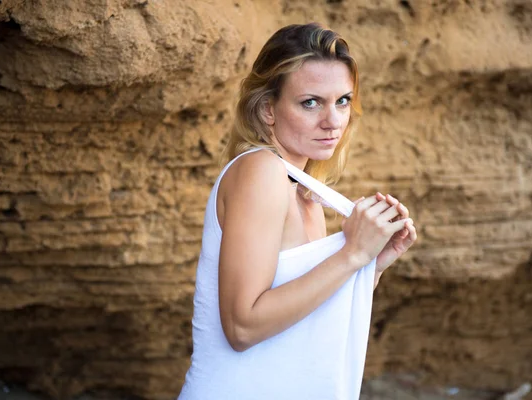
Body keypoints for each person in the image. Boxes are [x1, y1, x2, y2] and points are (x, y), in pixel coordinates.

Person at [178, 23, 417, 400]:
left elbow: (303, 314)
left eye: (342, 100)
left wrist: (372, 262)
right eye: (311, 102)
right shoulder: (261, 171)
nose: (333, 120)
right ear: (268, 109)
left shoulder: (306, 195)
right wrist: (351, 255)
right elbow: (242, 327)